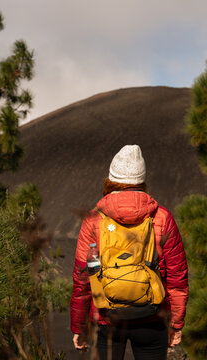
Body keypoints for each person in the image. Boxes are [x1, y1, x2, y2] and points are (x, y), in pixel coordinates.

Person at [70, 144, 188, 360]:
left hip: (107, 321)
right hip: (152, 320)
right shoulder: (162, 218)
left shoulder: (94, 219)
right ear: (142, 181)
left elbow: (82, 277)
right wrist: (176, 323)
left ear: (110, 180)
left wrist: (79, 327)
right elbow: (177, 278)